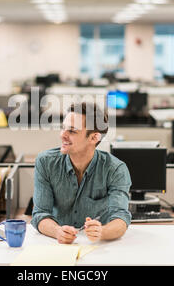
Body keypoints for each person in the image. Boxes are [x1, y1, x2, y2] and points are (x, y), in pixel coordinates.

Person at [31, 102, 132, 244]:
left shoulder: (115, 169)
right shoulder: (45, 162)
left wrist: (102, 232)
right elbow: (40, 214)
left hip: (97, 246)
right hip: (56, 243)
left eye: (71, 131)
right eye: (63, 128)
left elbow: (120, 218)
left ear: (94, 138)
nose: (62, 135)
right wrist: (57, 231)